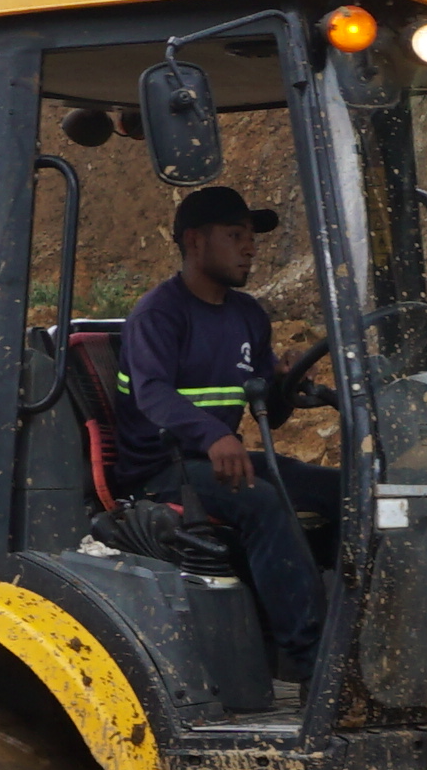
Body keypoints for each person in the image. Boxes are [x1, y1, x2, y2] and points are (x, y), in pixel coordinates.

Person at [104, 182, 341, 676]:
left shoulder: (248, 314)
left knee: (341, 490)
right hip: (160, 467)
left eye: (251, 236)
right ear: (194, 242)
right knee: (261, 502)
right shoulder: (159, 313)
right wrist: (213, 435)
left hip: (216, 460)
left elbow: (266, 418)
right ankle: (308, 660)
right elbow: (152, 395)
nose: (250, 247)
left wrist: (280, 386)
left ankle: (350, 628)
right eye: (235, 235)